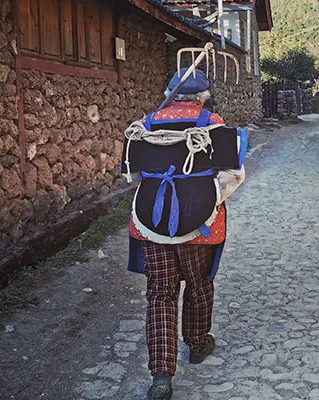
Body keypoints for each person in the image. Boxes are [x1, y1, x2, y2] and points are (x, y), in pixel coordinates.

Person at [122, 68, 247, 400]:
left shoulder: (145, 125)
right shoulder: (213, 124)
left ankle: (161, 374)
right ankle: (197, 342)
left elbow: (132, 176)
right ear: (203, 95)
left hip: (152, 223)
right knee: (198, 284)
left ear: (170, 93)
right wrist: (207, 199)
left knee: (160, 294)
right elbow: (234, 174)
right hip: (199, 225)